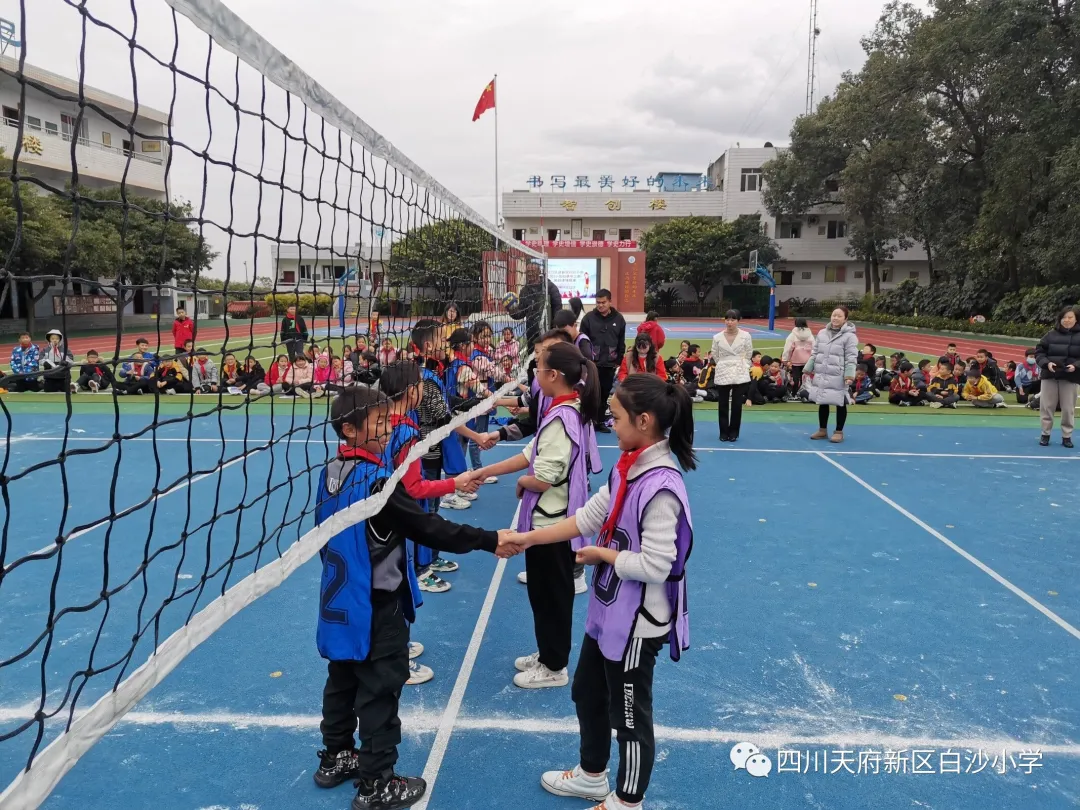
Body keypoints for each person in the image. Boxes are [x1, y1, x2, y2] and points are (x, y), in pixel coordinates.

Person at [497, 373, 695, 810]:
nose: (611, 422)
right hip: (611, 608)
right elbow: (588, 516)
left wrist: (603, 556)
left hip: (638, 621)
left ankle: (627, 802)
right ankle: (591, 776)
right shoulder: (628, 466)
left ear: (644, 422)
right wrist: (528, 538)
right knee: (587, 692)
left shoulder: (661, 486)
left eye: (617, 417)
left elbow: (659, 565)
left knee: (629, 715)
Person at [311, 386, 506, 808]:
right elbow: (429, 529)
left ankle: (337, 757)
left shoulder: (329, 473)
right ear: (349, 429)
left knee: (341, 679)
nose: (387, 430)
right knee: (381, 690)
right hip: (375, 605)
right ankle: (377, 782)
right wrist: (489, 539)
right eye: (379, 424)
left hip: (338, 603)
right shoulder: (377, 483)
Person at [474, 341, 601, 689]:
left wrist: (524, 482)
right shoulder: (560, 411)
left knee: (552, 597)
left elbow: (544, 476)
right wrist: (483, 473)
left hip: (553, 524)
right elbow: (531, 453)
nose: (534, 374)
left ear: (554, 375)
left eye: (538, 367)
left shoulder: (564, 417)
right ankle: (548, 653)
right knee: (543, 595)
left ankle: (555, 666)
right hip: (549, 521)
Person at [378, 361, 486, 682]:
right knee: (399, 587)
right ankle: (397, 655)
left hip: (379, 518)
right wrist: (457, 482)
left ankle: (395, 647)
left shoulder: (381, 422)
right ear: (412, 391)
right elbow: (414, 488)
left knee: (387, 586)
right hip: (400, 520)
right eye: (421, 385)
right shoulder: (407, 432)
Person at [805, 306, 858, 443]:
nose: (835, 318)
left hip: (838, 374)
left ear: (845, 319)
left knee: (840, 402)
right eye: (834, 315)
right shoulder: (822, 333)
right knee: (822, 401)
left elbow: (851, 357)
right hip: (823, 372)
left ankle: (839, 431)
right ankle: (822, 430)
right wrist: (808, 368)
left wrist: (849, 375)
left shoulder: (850, 336)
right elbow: (815, 352)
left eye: (839, 316)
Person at [579, 289, 625, 431]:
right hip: (592, 364)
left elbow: (621, 342)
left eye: (603, 302)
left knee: (604, 393)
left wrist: (618, 359)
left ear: (610, 302)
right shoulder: (588, 319)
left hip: (609, 364)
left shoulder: (619, 319)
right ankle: (587, 421)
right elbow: (582, 341)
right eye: (598, 302)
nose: (600, 305)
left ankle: (598, 422)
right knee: (590, 393)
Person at [1034, 305, 1080, 447]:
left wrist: (1076, 365)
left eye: (1070, 317)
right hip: (1050, 375)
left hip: (1070, 377)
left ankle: (1067, 436)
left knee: (1068, 408)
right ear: (1060, 319)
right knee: (1047, 406)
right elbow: (1039, 352)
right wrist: (1046, 363)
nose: (1067, 320)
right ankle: (1045, 434)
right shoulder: (1050, 335)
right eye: (1064, 317)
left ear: (1076, 319)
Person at [710, 309, 753, 442]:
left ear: (738, 321)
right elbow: (715, 355)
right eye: (727, 319)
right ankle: (723, 432)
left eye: (733, 319)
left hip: (739, 371)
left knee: (736, 404)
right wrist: (722, 364)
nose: (730, 322)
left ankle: (734, 432)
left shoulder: (746, 335)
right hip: (723, 370)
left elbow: (748, 353)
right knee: (722, 404)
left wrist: (744, 365)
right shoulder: (717, 337)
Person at [509, 261, 563, 345]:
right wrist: (511, 309)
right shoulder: (524, 291)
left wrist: (555, 328)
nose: (530, 274)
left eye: (532, 271)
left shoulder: (550, 287)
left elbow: (558, 309)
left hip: (548, 331)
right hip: (531, 332)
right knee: (533, 356)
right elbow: (521, 313)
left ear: (539, 272)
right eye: (528, 272)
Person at [782, 318, 815, 393]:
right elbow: (814, 347)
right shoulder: (810, 335)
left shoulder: (793, 335)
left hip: (796, 359)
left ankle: (794, 393)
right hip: (807, 360)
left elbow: (788, 348)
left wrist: (785, 359)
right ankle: (804, 392)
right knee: (805, 377)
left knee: (796, 377)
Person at [40, 329, 74, 393]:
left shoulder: (65, 349)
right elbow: (40, 359)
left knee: (66, 392)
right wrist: (45, 363)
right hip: (49, 376)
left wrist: (65, 362)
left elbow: (71, 359)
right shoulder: (45, 350)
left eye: (57, 338)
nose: (55, 340)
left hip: (63, 376)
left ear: (60, 339)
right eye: (52, 338)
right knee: (49, 392)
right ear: (49, 339)